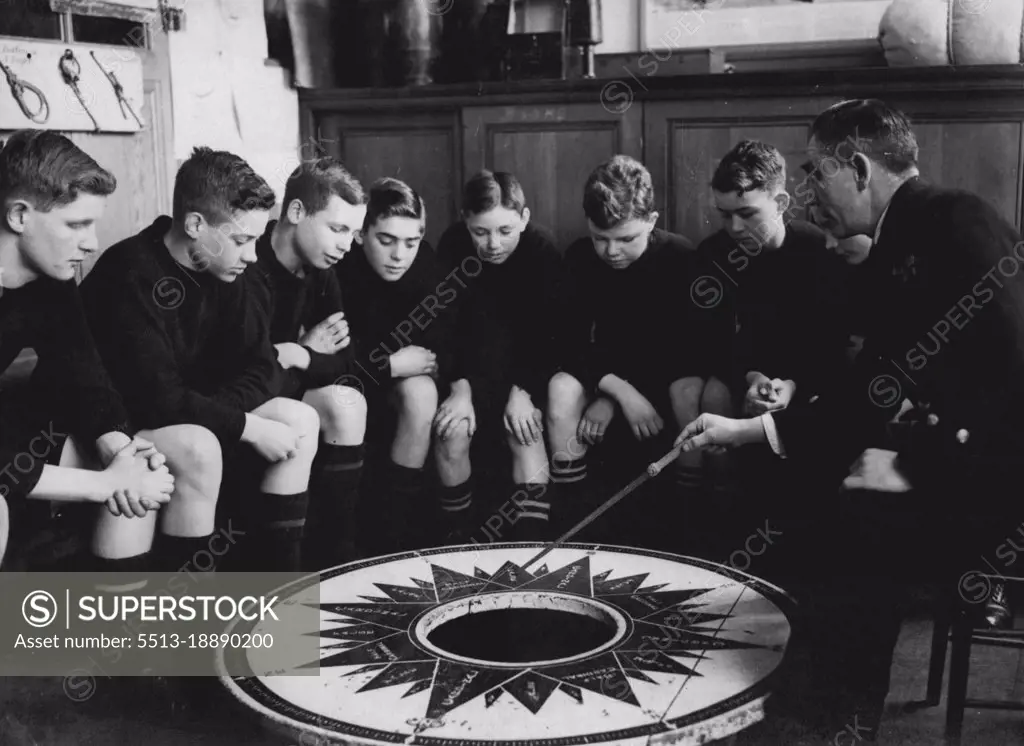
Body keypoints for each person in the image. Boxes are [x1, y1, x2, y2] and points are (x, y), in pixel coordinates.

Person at [676, 98, 1024, 738]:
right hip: (963, 452)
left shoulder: (956, 220)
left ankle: (837, 718)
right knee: (822, 499)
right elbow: (873, 388)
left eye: (816, 172)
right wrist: (748, 431)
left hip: (1000, 475)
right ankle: (823, 705)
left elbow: (1017, 376)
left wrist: (917, 463)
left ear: (859, 169)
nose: (810, 195)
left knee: (858, 524)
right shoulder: (903, 236)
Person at [81, 146, 321, 573]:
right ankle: (189, 623)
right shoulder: (129, 272)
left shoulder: (225, 268)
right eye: (242, 240)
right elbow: (158, 400)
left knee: (297, 421)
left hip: (187, 410)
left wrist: (221, 412)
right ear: (195, 225)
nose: (252, 255)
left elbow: (265, 365)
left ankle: (277, 590)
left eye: (256, 240)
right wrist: (244, 425)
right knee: (199, 444)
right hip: (111, 425)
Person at [0, 130, 221, 576]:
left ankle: (139, 641)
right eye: (77, 224)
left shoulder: (52, 279)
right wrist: (103, 483)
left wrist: (120, 451)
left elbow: (85, 377)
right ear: (19, 215)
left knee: (162, 455)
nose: (93, 242)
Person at [548, 155, 734, 516]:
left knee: (689, 389)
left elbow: (691, 351)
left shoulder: (681, 258)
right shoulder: (579, 259)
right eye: (600, 238)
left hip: (664, 383)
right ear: (588, 223)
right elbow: (567, 342)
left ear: (651, 221)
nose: (612, 251)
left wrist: (621, 396)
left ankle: (690, 509)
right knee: (560, 387)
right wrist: (615, 390)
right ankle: (576, 512)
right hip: (608, 380)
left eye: (626, 238)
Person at [336, 177, 470, 551]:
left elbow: (452, 347)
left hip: (409, 395)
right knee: (417, 389)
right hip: (352, 391)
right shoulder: (338, 268)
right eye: (387, 240)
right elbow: (332, 363)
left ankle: (407, 534)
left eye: (411, 242)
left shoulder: (428, 269)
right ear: (361, 233)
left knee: (425, 394)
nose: (400, 255)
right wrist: (389, 364)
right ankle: (388, 541)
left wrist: (462, 388)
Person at [250, 157, 368, 568]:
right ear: (296, 212)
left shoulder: (323, 267)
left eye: (353, 233)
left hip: (287, 383)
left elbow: (346, 363)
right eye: (337, 229)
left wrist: (299, 352)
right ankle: (282, 578)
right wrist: (303, 355)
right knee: (297, 419)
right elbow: (253, 370)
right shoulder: (248, 260)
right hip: (243, 398)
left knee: (346, 402)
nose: (346, 245)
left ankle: (338, 560)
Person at [436, 170, 567, 541]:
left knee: (524, 432)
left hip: (525, 373)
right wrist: (459, 389)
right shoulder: (452, 246)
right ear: (465, 220)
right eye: (481, 232)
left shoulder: (542, 250)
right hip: (469, 372)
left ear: (524, 219)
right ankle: (457, 546)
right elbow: (444, 327)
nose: (493, 244)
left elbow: (550, 335)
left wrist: (523, 390)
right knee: (451, 431)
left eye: (505, 231)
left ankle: (531, 551)